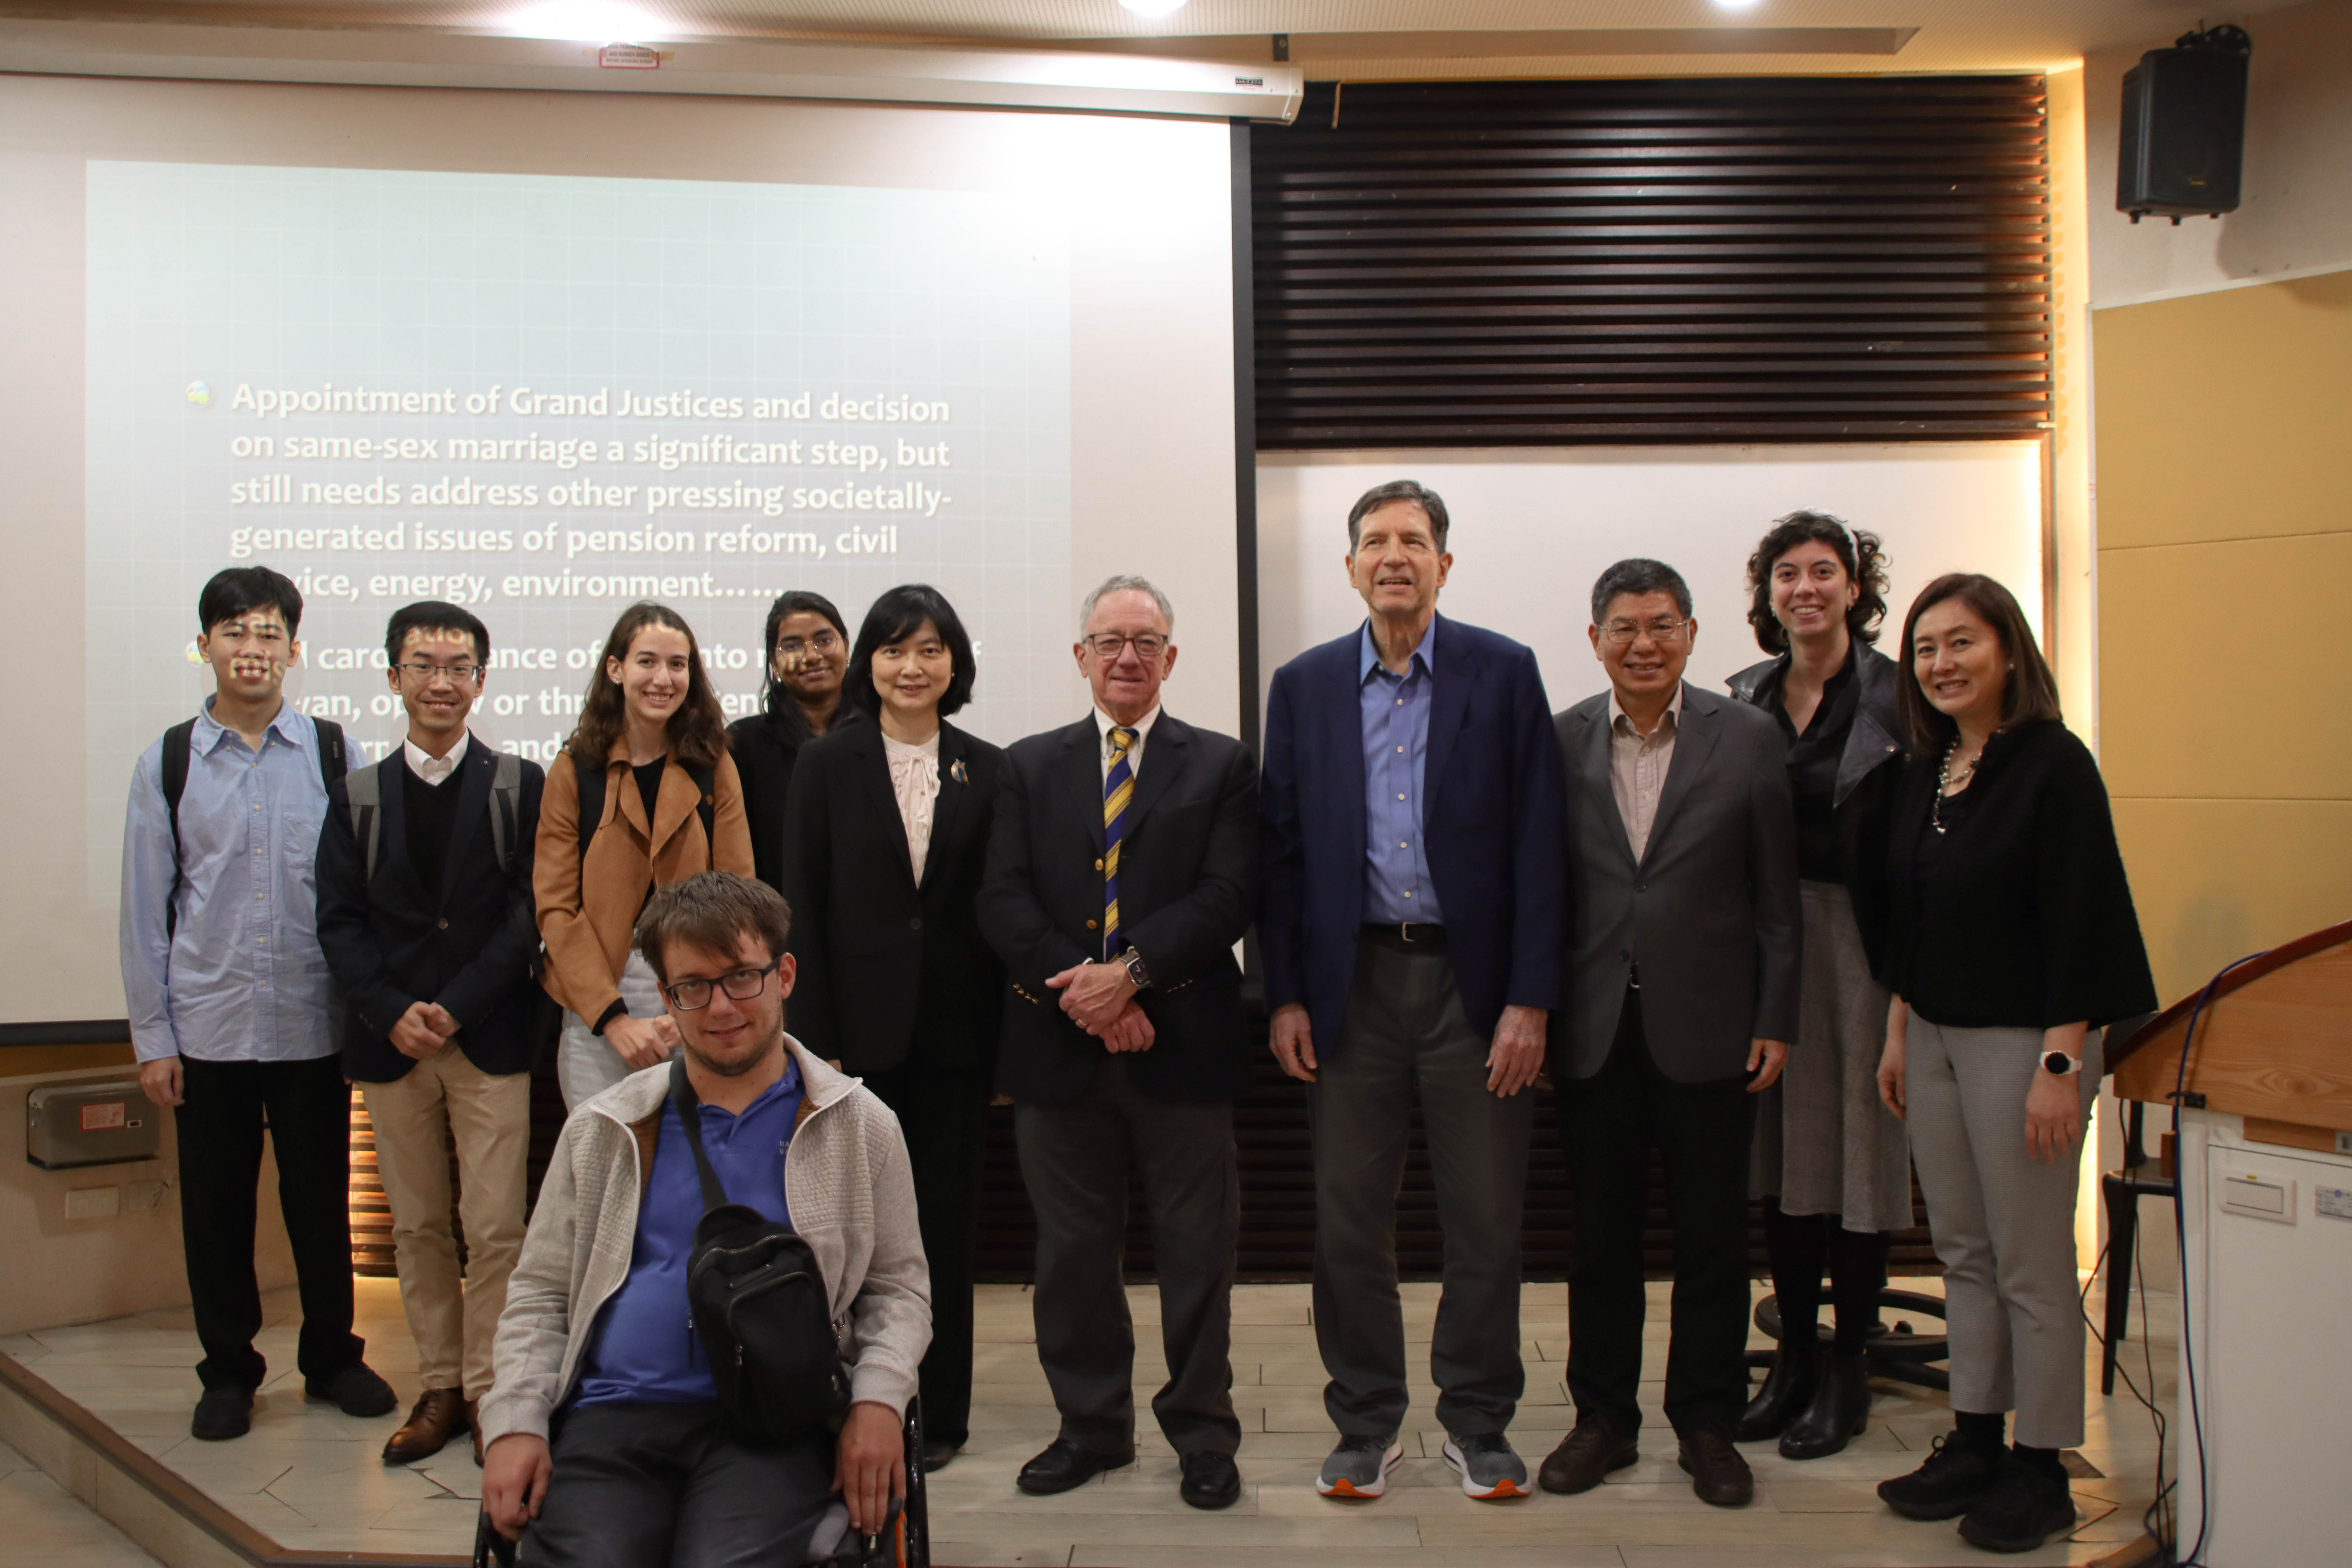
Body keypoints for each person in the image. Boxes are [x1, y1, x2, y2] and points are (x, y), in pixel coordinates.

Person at [477, 871, 930, 1566]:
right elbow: (539, 1294)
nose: (721, 1006)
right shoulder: (605, 1128)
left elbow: (898, 1289)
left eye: (742, 977)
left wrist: (878, 1400)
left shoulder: (858, 1125)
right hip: (613, 1415)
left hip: (772, 1423)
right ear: (665, 997)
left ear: (784, 974)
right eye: (693, 986)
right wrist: (513, 1423)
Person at [1260, 480, 1567, 1503]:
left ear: (1444, 562)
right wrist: (1285, 993)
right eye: (1375, 541)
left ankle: (1480, 1421)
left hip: (1473, 990)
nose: (1395, 555)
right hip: (1351, 982)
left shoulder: (1503, 671)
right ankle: (1366, 1420)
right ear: (1349, 566)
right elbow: (1283, 853)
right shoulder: (1302, 686)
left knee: (1484, 1217)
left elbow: (1539, 844)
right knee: (1349, 1219)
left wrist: (1531, 998)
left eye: (1415, 540)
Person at [1868, 574, 2154, 1554]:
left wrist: (2062, 1068)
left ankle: (2043, 1468)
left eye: (1962, 644)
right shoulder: (1928, 769)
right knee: (1963, 1253)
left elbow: (2083, 919)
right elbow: (1911, 918)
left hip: (2028, 1047)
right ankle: (1978, 1441)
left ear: (2008, 651)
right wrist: (1900, 1031)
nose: (1942, 664)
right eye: (1926, 650)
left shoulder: (2054, 766)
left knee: (2031, 1265)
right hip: (1936, 1037)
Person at [978, 575, 1260, 1510]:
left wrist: (1130, 978)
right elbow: (1004, 900)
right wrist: (1091, 997)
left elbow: (1226, 897)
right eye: (1110, 641)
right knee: (1072, 1254)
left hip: (1182, 1050)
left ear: (1172, 658)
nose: (1127, 656)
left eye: (1146, 641)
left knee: (1197, 1254)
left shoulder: (1221, 766)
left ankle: (1204, 1434)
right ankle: (1091, 1428)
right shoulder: (1026, 766)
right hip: (1060, 1058)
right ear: (1081, 656)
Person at [1541, 557, 1799, 1510]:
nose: (1642, 644)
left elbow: (1777, 897)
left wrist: (1778, 1016)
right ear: (1596, 639)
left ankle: (1706, 1423)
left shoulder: (1750, 737)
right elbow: (1544, 893)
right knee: (1599, 1240)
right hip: (1595, 1030)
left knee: (1712, 1240)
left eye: (1660, 626)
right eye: (1623, 628)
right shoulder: (1559, 738)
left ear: (1692, 633)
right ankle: (1603, 1420)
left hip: (1714, 1028)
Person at [119, 565, 396, 1441]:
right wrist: (154, 1037)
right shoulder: (168, 762)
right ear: (204, 646)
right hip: (210, 1024)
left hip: (312, 1021)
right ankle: (230, 1371)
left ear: (294, 650)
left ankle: (333, 1358)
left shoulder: (331, 751)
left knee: (321, 1202)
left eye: (269, 632)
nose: (252, 648)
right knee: (216, 1209)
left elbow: (362, 890)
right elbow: (145, 911)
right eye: (234, 631)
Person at [315, 601, 546, 1465]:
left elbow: (529, 914)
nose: (441, 680)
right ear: (394, 677)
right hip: (391, 1041)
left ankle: (492, 1389)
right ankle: (439, 1383)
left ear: (480, 679)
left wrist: (454, 1004)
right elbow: (338, 922)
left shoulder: (520, 784)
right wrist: (392, 1008)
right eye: (424, 664)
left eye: (458, 665)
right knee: (416, 1226)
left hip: (487, 1036)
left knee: (495, 1226)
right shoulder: (359, 794)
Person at [781, 583, 1003, 1472]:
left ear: (956, 664)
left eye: (931, 650)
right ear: (869, 663)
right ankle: (850, 1403)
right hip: (852, 1047)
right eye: (894, 649)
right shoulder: (827, 766)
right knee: (846, 1237)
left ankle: (939, 1415)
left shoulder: (989, 768)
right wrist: (815, 1041)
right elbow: (803, 904)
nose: (912, 667)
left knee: (943, 1232)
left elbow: (998, 912)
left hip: (956, 1041)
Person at [1722, 513, 1911, 1461]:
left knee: (1858, 1164)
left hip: (1864, 949)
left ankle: (1848, 1373)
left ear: (1854, 588)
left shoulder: (1898, 694)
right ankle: (1793, 1360)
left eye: (1824, 573)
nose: (1805, 589)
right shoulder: (1744, 696)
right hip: (1768, 943)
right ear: (1767, 594)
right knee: (1782, 1162)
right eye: (1786, 574)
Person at [535, 602, 755, 1110]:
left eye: (678, 665)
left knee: (694, 1172)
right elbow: (556, 908)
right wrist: (612, 1018)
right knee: (604, 1168)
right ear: (616, 670)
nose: (664, 678)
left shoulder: (714, 764)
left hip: (698, 990)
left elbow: (739, 892)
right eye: (648, 662)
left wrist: (698, 997)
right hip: (596, 994)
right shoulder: (574, 769)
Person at [728, 589, 862, 896]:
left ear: (847, 647)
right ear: (775, 663)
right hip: (777, 927)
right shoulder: (743, 746)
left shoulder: (880, 737)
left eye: (824, 640)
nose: (812, 656)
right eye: (792, 646)